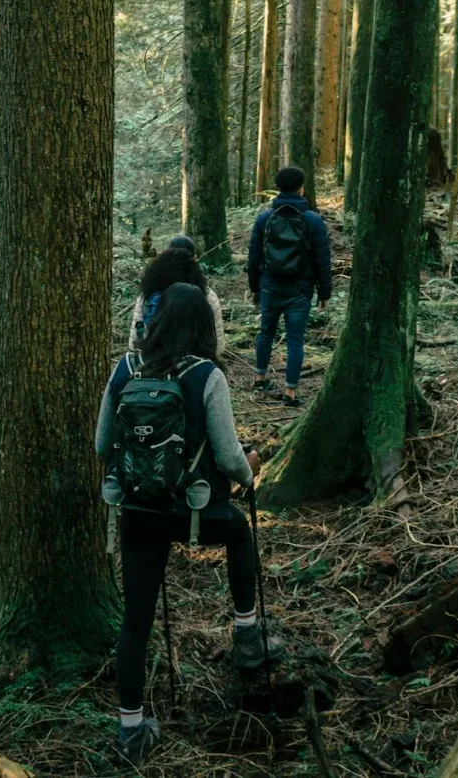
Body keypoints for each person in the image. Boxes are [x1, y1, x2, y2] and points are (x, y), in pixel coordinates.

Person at [96, 283, 275, 765]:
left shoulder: (125, 368)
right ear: (202, 325)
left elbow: (101, 445)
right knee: (238, 531)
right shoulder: (206, 375)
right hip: (195, 512)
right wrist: (250, 468)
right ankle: (246, 632)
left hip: (138, 512)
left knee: (135, 622)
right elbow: (229, 456)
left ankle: (131, 731)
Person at [246, 166, 332, 406]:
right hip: (300, 290)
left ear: (279, 189)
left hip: (270, 285)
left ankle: (260, 378)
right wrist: (325, 292)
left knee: (266, 333)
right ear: (301, 189)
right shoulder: (313, 220)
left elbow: (254, 256)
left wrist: (254, 287)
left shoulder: (264, 218)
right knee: (295, 339)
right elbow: (322, 259)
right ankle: (290, 392)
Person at [128, 235, 227, 357]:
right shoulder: (206, 295)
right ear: (195, 259)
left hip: (154, 364)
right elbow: (217, 344)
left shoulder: (149, 292)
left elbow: (135, 341)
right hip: (194, 364)